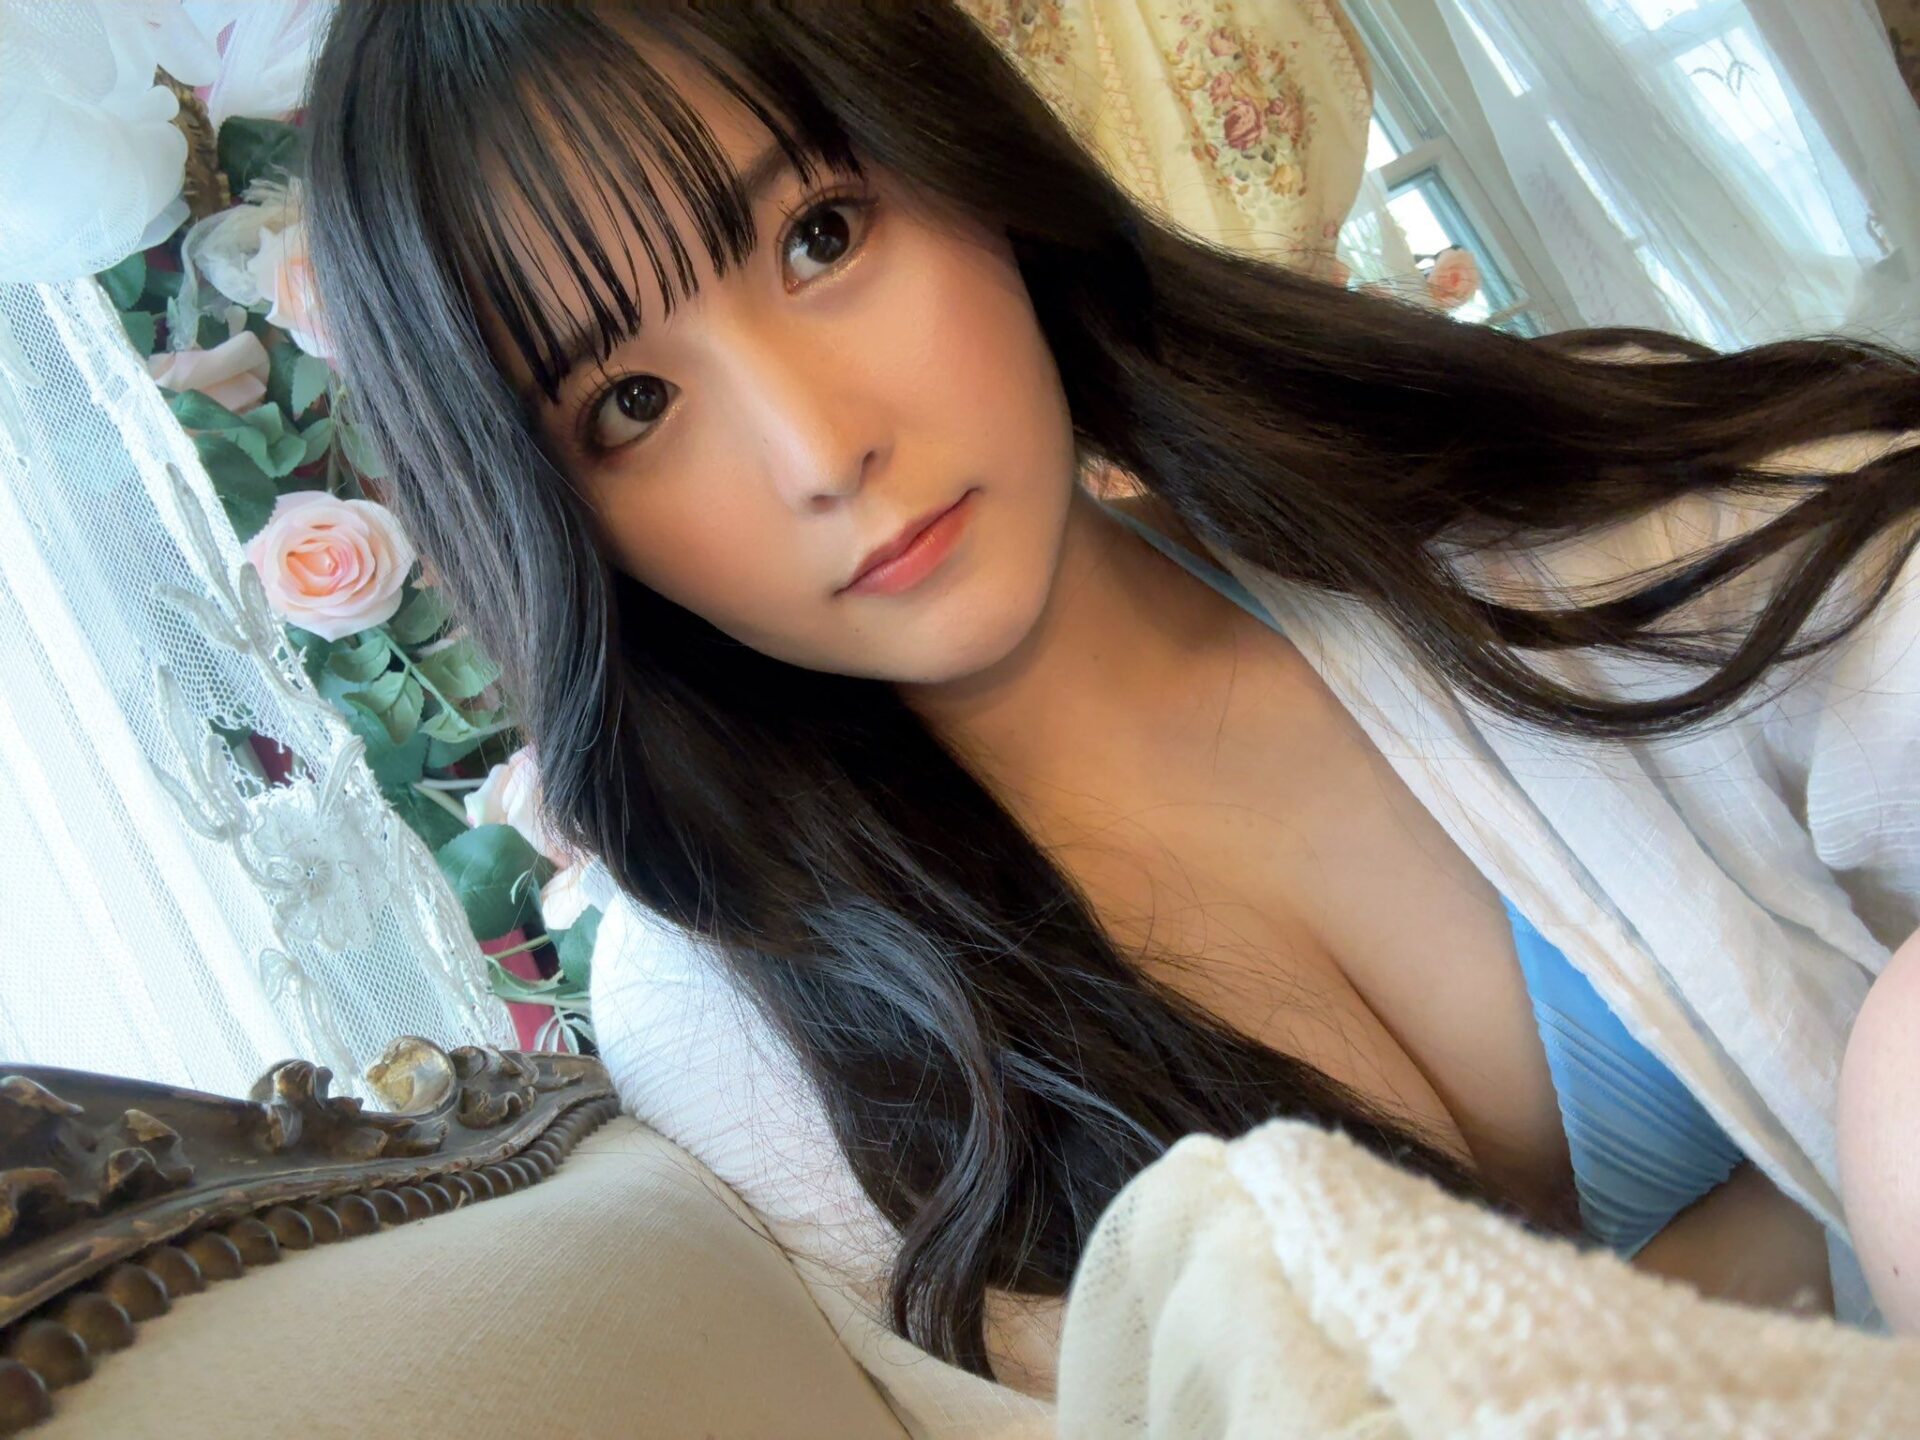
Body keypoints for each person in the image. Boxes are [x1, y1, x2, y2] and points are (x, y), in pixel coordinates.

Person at [298, 0, 1920, 1424]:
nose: (819, 449)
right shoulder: (738, 999)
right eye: (633, 403)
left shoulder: (1433, 511)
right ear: (557, 523)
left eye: (821, 235)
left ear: (962, 161)